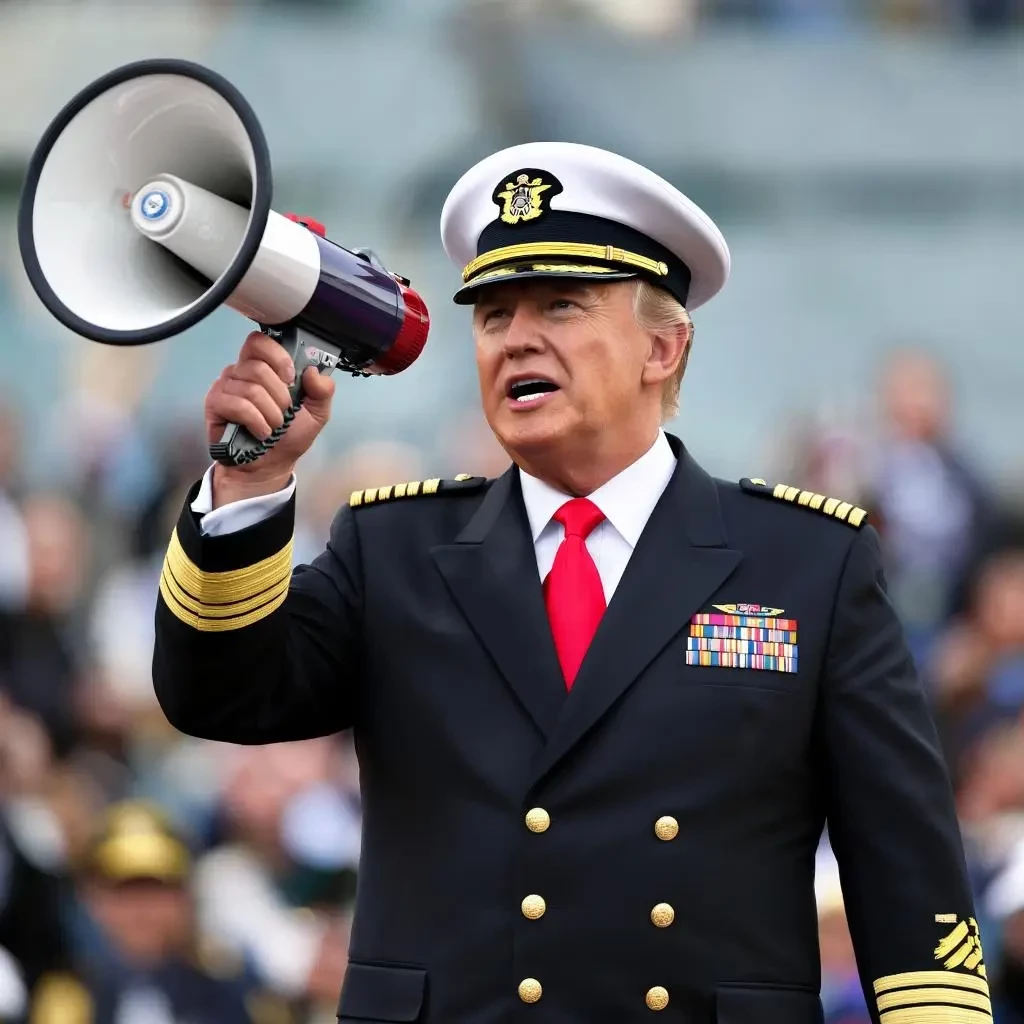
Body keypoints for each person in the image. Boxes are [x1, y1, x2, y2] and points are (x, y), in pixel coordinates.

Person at [151, 142, 988, 1024]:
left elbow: (908, 876)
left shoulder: (808, 562)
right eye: (493, 315)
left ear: (663, 347)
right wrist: (249, 486)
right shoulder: (394, 549)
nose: (516, 338)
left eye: (560, 304)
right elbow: (219, 695)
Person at [26, 800, 293, 1024]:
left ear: (187, 895)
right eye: (124, 892)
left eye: (158, 889)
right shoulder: (68, 999)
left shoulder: (236, 992)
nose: (142, 910)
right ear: (93, 898)